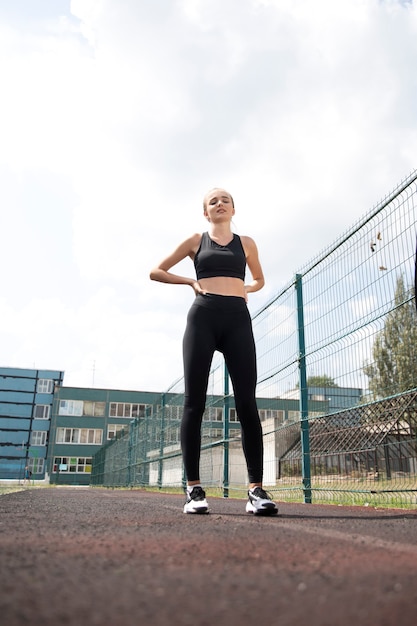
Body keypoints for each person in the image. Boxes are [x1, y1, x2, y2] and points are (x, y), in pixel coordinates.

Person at [150, 187, 278, 516]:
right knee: (195, 403)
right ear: (205, 213)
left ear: (234, 209)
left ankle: (255, 491)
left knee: (247, 403)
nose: (219, 204)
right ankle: (193, 490)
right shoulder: (195, 241)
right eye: (212, 202)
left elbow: (260, 279)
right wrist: (190, 283)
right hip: (203, 316)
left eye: (225, 200)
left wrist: (244, 287)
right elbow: (156, 271)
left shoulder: (246, 243)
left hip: (237, 318)